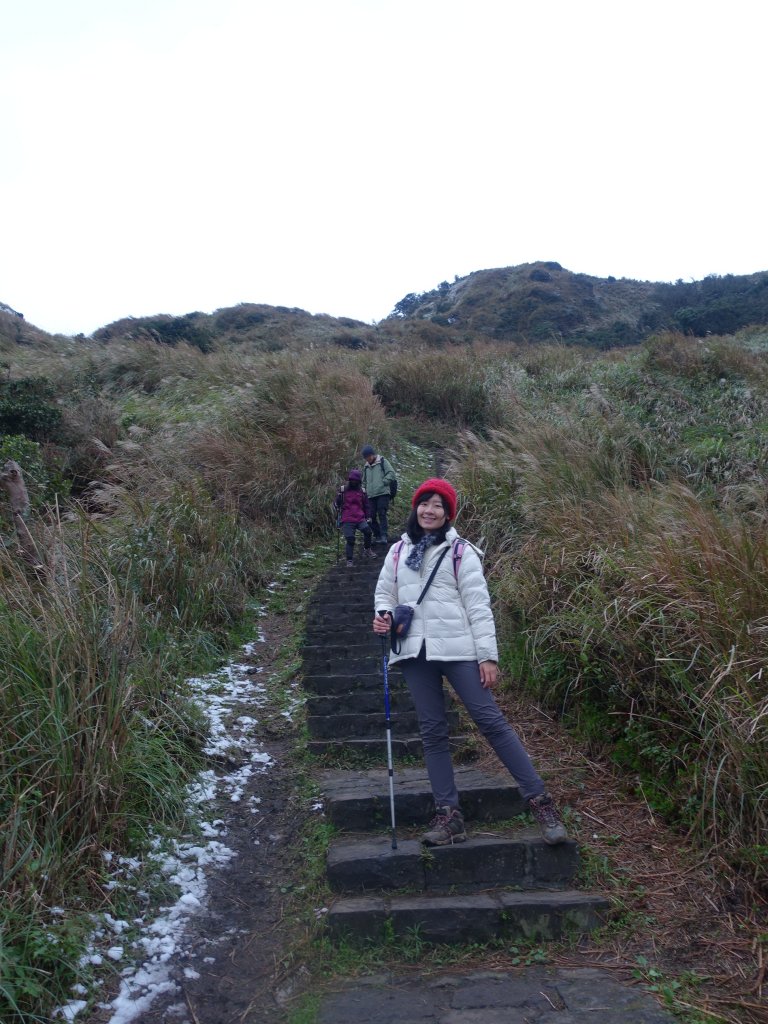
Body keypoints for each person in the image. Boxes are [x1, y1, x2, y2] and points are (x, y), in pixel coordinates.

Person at [372, 477, 567, 847]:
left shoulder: (461, 551)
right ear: (415, 507)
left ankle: (540, 801)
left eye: (438, 506)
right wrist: (383, 614)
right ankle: (449, 816)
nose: (429, 511)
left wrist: (488, 656)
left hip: (459, 649)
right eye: (424, 503)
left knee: (490, 721)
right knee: (432, 732)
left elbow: (478, 606)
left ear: (448, 514)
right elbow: (385, 590)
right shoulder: (398, 551)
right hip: (414, 651)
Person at [335, 469, 376, 567]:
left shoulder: (362, 491)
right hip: (347, 519)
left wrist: (368, 516)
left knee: (368, 532)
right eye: (352, 480)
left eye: (355, 480)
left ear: (359, 481)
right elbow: (336, 504)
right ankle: (349, 560)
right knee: (350, 539)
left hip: (359, 517)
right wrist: (338, 500)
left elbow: (366, 505)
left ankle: (367, 550)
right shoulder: (343, 490)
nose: (353, 482)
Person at [361, 444, 397, 546]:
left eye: (368, 456)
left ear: (372, 454)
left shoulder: (382, 461)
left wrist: (383, 482)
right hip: (371, 495)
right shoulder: (366, 467)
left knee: (382, 513)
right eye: (365, 457)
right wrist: (364, 490)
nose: (367, 459)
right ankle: (377, 535)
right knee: (370, 516)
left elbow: (391, 473)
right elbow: (364, 481)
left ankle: (384, 536)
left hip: (383, 493)